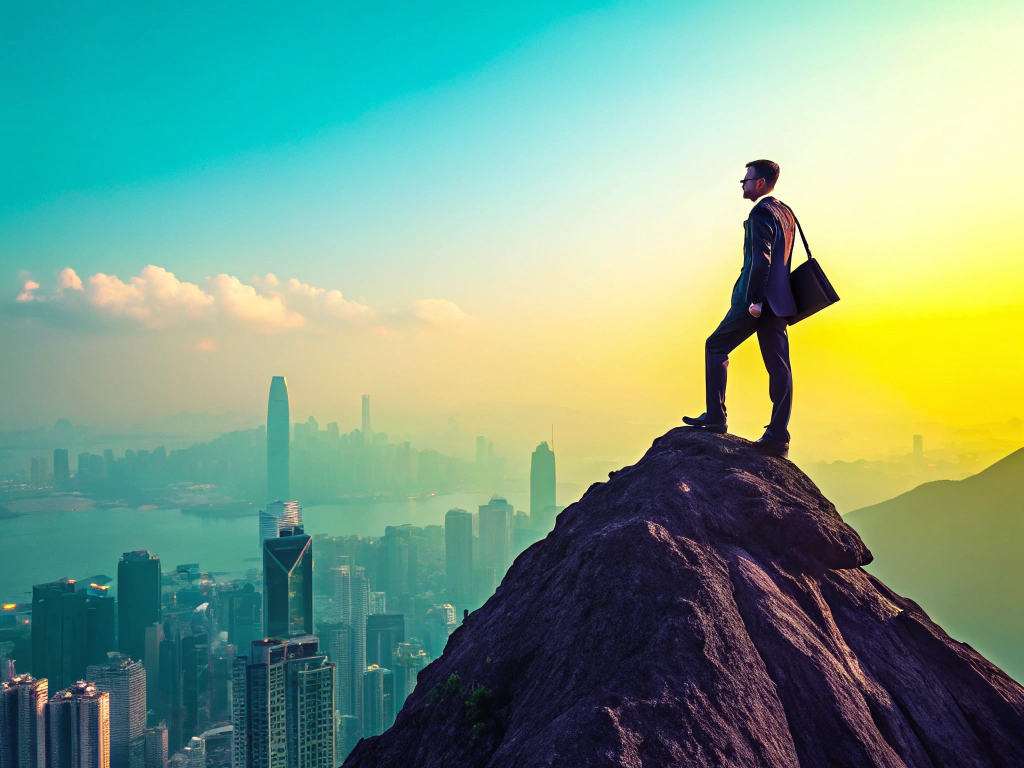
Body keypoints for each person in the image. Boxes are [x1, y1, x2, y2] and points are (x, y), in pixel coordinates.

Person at [683, 159, 798, 456]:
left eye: (745, 180)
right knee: (779, 366)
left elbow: (761, 259)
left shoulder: (760, 211)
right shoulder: (786, 212)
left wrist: (755, 300)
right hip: (781, 302)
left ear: (759, 183)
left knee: (715, 346)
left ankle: (715, 417)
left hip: (755, 301)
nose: (743, 185)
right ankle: (778, 435)